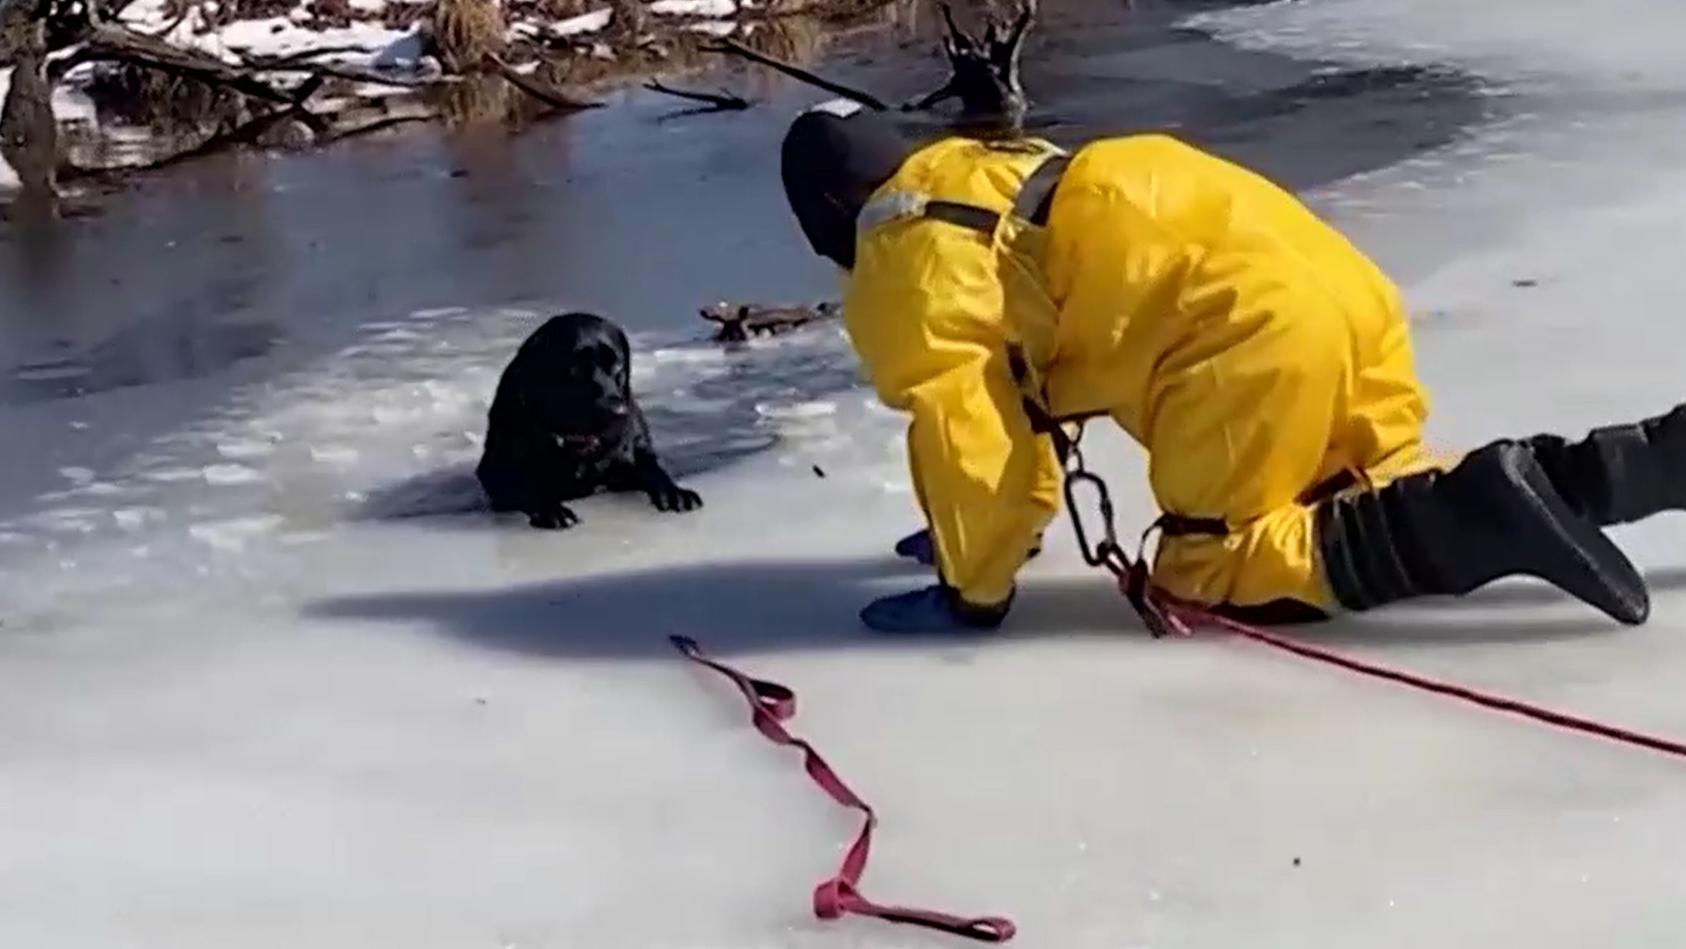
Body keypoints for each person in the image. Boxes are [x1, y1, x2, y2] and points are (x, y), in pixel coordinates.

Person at [779, 99, 1682, 634]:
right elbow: (1018, 375)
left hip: (1237, 341)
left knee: (1209, 570)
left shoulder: (903, 254)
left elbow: (972, 431)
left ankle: (1489, 509)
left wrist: (971, 587)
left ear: (826, 208)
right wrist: (957, 523)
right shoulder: (1002, 167)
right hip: (1336, 291)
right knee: (1368, 493)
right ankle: (1630, 465)